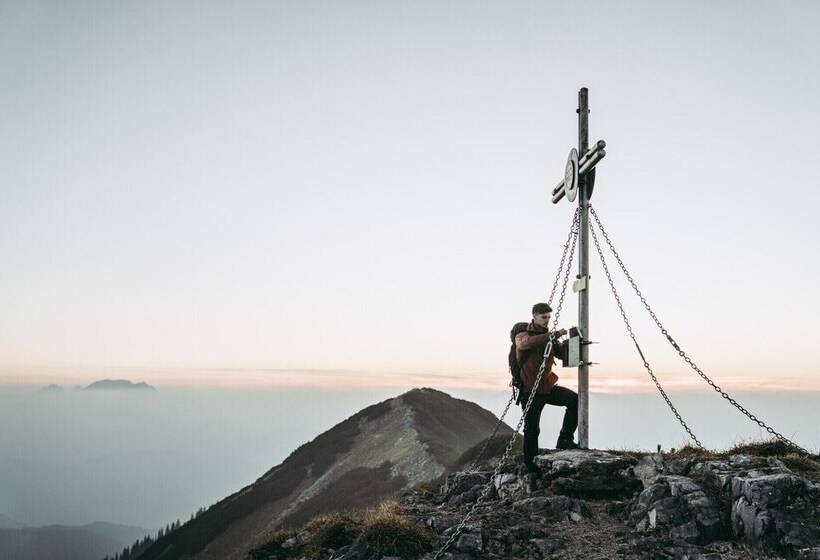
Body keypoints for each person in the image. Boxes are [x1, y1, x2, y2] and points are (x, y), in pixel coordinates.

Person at [512, 302, 579, 474]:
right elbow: (524, 344)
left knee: (575, 401)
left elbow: (562, 354)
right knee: (532, 428)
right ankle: (531, 464)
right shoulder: (523, 333)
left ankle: (565, 439)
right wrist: (554, 334)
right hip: (529, 390)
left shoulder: (549, 337)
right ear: (534, 317)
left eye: (549, 317)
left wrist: (574, 340)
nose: (547, 320)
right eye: (543, 317)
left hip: (547, 388)